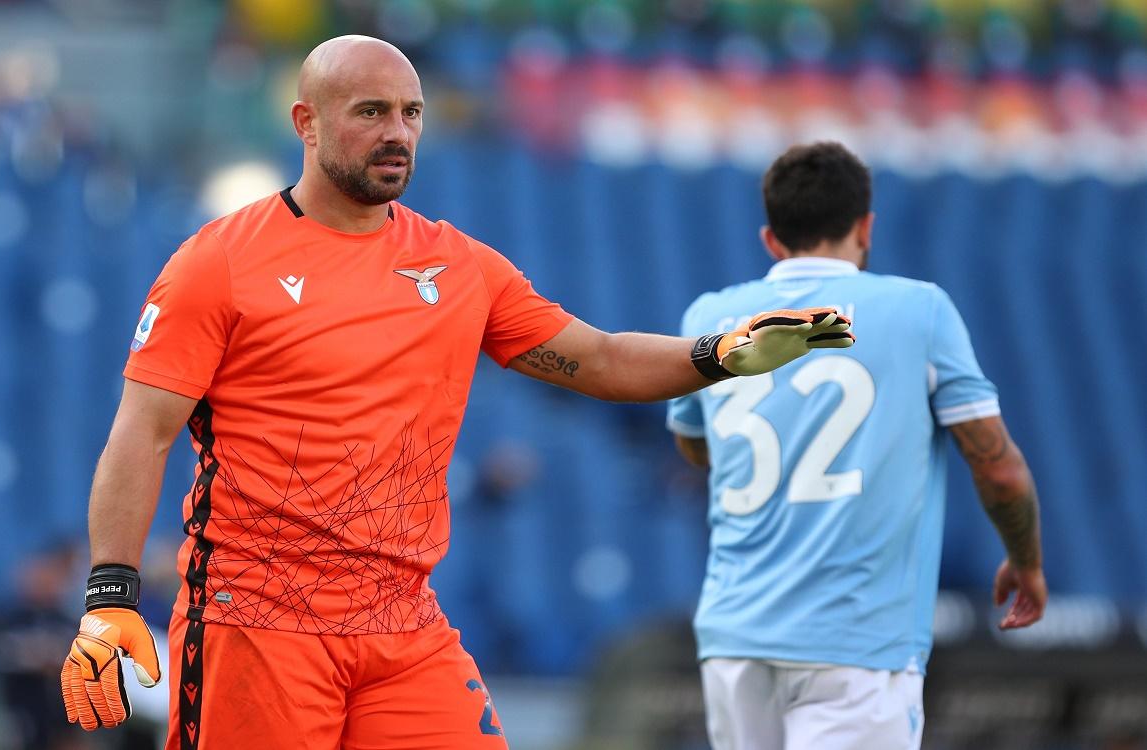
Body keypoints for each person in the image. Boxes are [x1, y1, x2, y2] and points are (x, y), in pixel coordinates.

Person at [58, 36, 855, 749]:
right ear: (306, 122)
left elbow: (602, 358)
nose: (397, 132)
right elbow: (143, 432)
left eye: (411, 113)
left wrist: (723, 353)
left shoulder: (459, 265)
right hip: (259, 620)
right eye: (371, 112)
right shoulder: (220, 262)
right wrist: (109, 597)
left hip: (401, 621)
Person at [667, 141, 1047, 750]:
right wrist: (1025, 561)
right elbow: (998, 470)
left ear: (771, 238)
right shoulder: (919, 311)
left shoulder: (709, 316)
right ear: (866, 227)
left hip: (733, 639)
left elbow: (697, 448)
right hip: (856, 640)